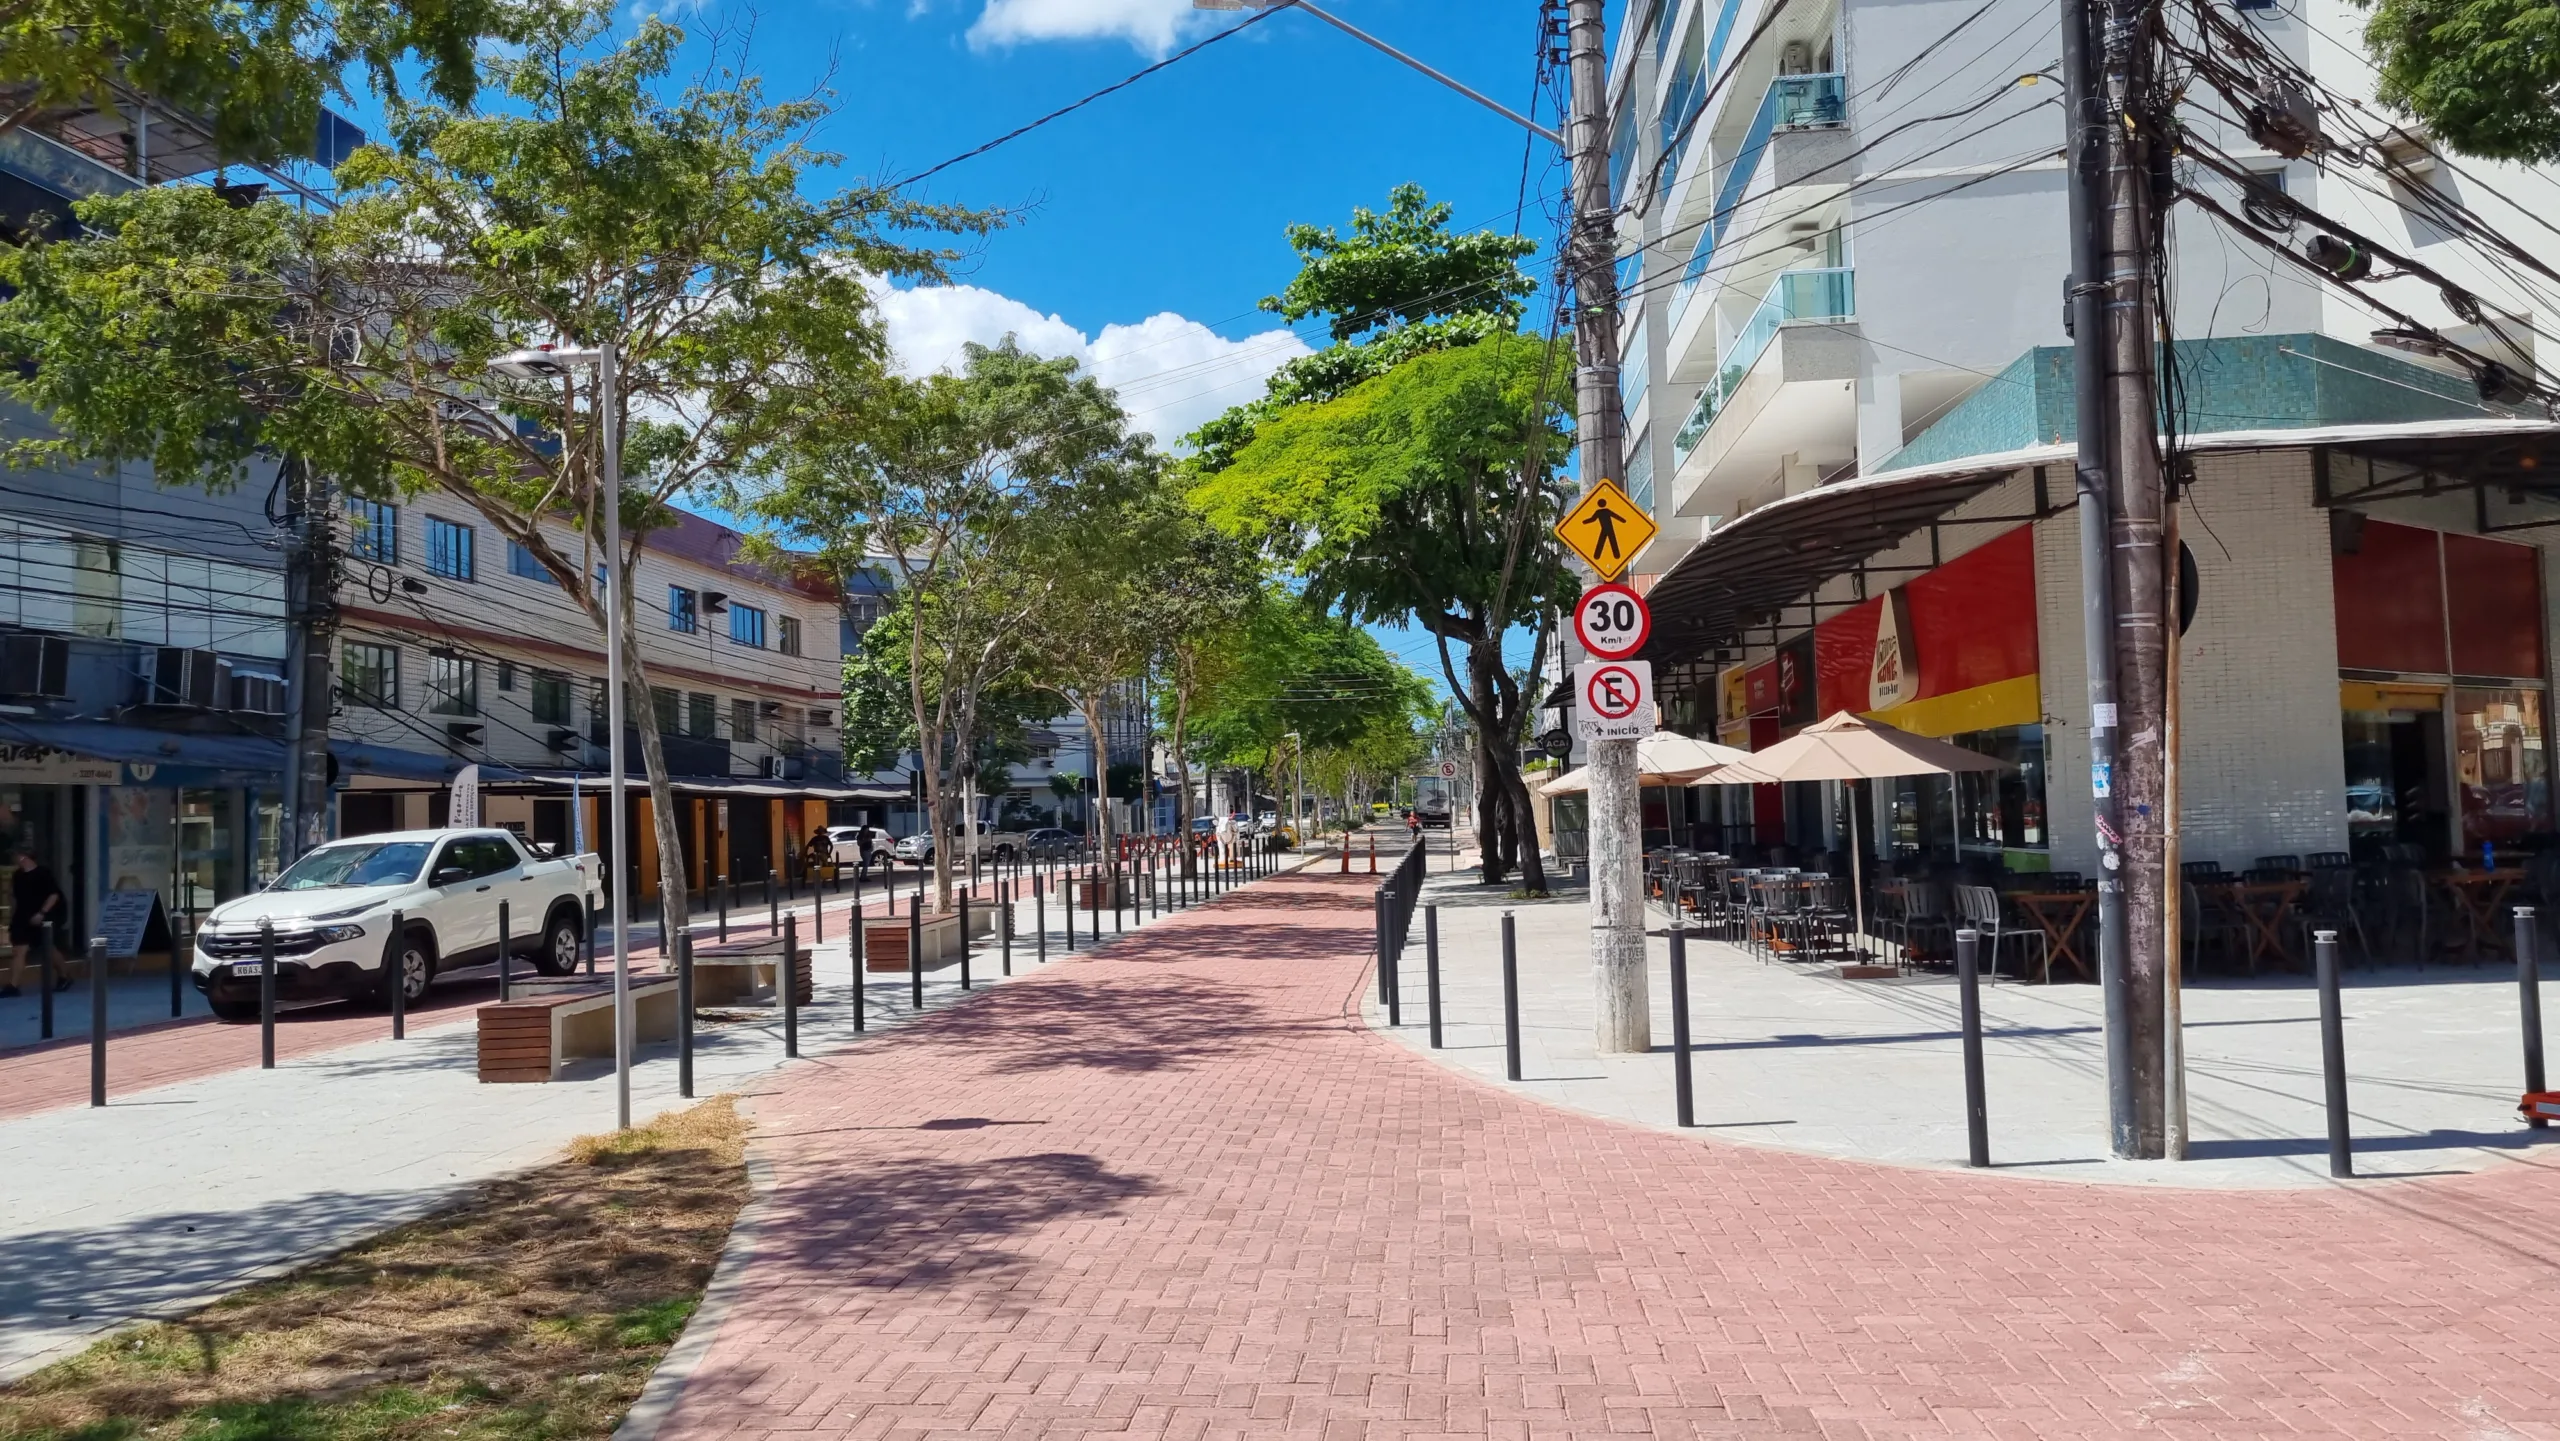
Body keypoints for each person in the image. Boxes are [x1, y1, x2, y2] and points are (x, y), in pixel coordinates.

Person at [5, 850, 67, 998]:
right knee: (19, 950)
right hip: (22, 917)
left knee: (49, 949)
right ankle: (13, 986)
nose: (15, 859)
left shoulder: (43, 873)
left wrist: (42, 913)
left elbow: (53, 895)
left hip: (41, 916)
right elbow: (15, 897)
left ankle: (65, 976)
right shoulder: (18, 875)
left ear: (23, 857)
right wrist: (13, 914)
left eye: (16, 856)